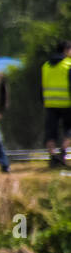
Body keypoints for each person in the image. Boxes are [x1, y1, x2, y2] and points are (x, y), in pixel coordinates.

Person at [41, 40, 71, 169]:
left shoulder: (46, 65)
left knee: (50, 132)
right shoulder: (68, 65)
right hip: (67, 103)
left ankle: (53, 156)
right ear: (66, 50)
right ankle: (62, 153)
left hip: (50, 104)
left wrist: (43, 101)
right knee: (69, 131)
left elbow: (41, 87)